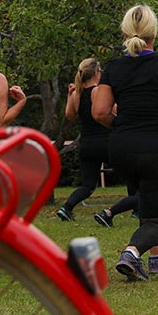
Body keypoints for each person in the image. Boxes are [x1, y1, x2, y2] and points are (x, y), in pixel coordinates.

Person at [92, 5, 158, 280]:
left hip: (121, 150)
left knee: (148, 196)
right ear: (154, 33)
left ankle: (157, 258)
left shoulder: (113, 67)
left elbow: (99, 112)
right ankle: (131, 253)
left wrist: (122, 126)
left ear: (125, 32)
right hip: (156, 146)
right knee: (157, 219)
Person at [56, 58, 109, 222]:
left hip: (85, 143)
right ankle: (135, 207)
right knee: (130, 174)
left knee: (87, 185)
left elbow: (69, 115)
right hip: (105, 142)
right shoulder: (97, 91)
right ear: (96, 73)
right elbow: (108, 112)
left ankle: (67, 208)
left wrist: (69, 95)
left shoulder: (76, 94)